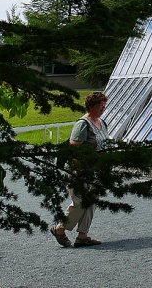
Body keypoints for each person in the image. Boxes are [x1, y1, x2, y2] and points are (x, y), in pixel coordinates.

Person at [51, 91, 109, 248]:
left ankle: (83, 236)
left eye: (104, 104)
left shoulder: (102, 123)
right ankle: (59, 228)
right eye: (100, 104)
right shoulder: (82, 124)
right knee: (79, 202)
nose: (103, 107)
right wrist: (78, 171)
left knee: (91, 202)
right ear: (91, 106)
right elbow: (73, 150)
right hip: (81, 171)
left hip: (96, 170)